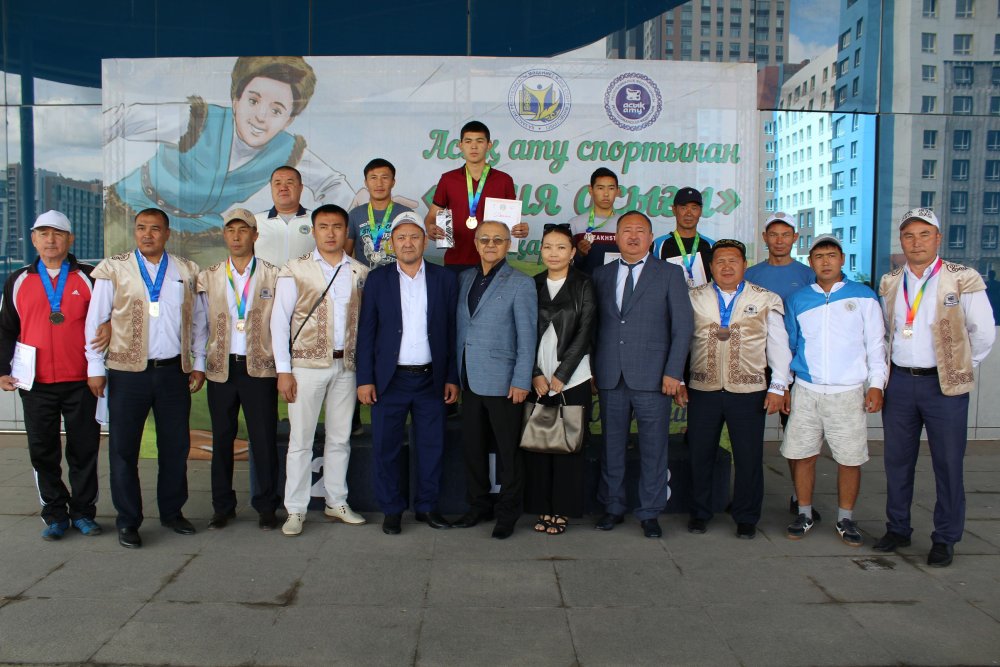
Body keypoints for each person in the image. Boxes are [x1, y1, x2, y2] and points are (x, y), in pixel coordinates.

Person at [105, 57, 353, 235]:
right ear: (236, 100)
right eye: (253, 101)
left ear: (288, 120)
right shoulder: (197, 119)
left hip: (198, 227)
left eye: (276, 110)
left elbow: (332, 183)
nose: (261, 116)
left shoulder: (287, 150)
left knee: (227, 275)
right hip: (135, 208)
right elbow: (122, 119)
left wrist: (340, 231)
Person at [874, 208, 995, 567]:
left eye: (925, 234)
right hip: (900, 383)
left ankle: (945, 538)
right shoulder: (890, 281)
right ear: (901, 241)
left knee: (948, 463)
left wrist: (959, 367)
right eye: (909, 236)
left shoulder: (962, 278)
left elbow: (983, 333)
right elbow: (885, 332)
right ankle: (898, 528)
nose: (917, 242)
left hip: (944, 387)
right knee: (897, 461)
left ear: (938, 238)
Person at [85, 208, 207, 549]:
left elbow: (199, 322)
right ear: (135, 232)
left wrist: (198, 362)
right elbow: (96, 320)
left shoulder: (186, 270)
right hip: (127, 374)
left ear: (167, 233)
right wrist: (95, 367)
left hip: (173, 373)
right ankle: (128, 520)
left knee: (175, 447)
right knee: (124, 450)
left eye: (155, 229)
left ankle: (172, 512)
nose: (147, 234)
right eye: (141, 228)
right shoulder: (114, 268)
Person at [678, 239, 790, 539]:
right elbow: (680, 341)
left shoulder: (765, 299)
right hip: (703, 388)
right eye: (720, 261)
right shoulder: (693, 297)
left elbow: (778, 346)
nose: (726, 267)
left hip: (749, 391)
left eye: (733, 261)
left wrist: (778, 385)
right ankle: (700, 513)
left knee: (748, 457)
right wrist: (678, 379)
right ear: (711, 266)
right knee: (700, 454)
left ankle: (746, 517)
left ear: (744, 265)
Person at [355, 212, 459, 535]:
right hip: (390, 381)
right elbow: (366, 333)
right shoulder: (378, 279)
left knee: (431, 446)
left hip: (431, 380)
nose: (408, 243)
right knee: (385, 447)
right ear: (392, 243)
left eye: (414, 237)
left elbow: (453, 332)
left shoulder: (444, 279)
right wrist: (365, 379)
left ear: (425, 242)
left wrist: (452, 377)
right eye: (401, 238)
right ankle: (392, 510)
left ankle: (427, 507)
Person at [0, 211, 101, 541]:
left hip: (82, 381)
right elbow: (6, 329)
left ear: (70, 239)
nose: (50, 240)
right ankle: (55, 514)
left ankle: (83, 513)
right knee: (43, 451)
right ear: (33, 239)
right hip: (35, 383)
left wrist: (101, 369)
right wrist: (2, 370)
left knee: (83, 450)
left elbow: (106, 322)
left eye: (58, 233)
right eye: (43, 233)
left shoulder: (91, 277)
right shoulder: (18, 280)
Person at [592, 211, 693, 539]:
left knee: (653, 448)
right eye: (626, 231)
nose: (633, 236)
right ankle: (612, 506)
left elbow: (682, 327)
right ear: (616, 237)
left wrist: (674, 372)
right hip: (610, 375)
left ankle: (650, 512)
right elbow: (594, 327)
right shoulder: (601, 274)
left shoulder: (670, 274)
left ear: (651, 238)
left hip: (654, 377)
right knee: (612, 445)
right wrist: (592, 369)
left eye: (640, 231)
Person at [269, 203, 369, 536]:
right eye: (323, 227)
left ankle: (336, 501)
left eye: (337, 227)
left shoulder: (359, 271)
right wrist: (284, 370)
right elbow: (279, 321)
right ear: (313, 231)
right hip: (306, 366)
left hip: (347, 365)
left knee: (340, 438)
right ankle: (295, 509)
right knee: (301, 440)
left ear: (346, 231)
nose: (330, 233)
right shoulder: (295, 269)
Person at [782, 234, 887, 546]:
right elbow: (789, 346)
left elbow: (876, 345)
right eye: (819, 256)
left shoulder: (864, 296)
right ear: (810, 262)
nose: (825, 261)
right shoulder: (798, 299)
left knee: (849, 459)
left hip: (848, 391)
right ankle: (804, 512)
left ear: (842, 259)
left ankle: (845, 519)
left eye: (831, 255)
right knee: (803, 455)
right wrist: (783, 385)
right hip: (807, 389)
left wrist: (876, 385)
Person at [194, 208, 281, 531]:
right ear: (224, 235)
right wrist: (199, 365)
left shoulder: (274, 275)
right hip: (222, 368)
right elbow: (200, 326)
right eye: (230, 230)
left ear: (255, 235)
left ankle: (267, 506)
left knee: (263, 439)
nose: (236, 236)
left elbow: (282, 325)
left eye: (243, 230)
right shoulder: (210, 276)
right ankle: (222, 506)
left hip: (260, 368)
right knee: (222, 439)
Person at [453, 221, 537, 539]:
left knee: (508, 452)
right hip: (469, 378)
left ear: (508, 245)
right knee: (472, 448)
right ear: (476, 243)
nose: (491, 244)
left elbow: (527, 337)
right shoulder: (464, 278)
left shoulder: (521, 283)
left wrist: (522, 380)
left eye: (498, 240)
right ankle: (478, 506)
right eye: (485, 239)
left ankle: (507, 513)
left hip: (505, 382)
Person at [744, 211, 818, 520]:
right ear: (765, 238)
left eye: (785, 234)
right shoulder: (751, 274)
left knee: (796, 435)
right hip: (756, 364)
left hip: (798, 366)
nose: (779, 240)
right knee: (748, 435)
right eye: (773, 234)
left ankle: (800, 498)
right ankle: (746, 497)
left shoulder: (808, 275)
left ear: (795, 238)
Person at [525, 223, 596, 535]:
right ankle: (542, 507)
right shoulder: (532, 284)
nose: (553, 253)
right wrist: (535, 373)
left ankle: (563, 509)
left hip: (574, 378)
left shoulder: (584, 284)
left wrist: (562, 375)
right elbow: (523, 332)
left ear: (572, 252)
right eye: (548, 247)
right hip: (539, 379)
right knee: (540, 445)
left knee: (569, 447)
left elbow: (585, 331)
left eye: (561, 247)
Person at [425, 120, 528, 273]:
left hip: (493, 261)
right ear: (460, 145)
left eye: (479, 141)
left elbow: (511, 222)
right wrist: (430, 227)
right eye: (468, 141)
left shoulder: (504, 180)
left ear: (489, 145)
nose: (474, 146)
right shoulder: (448, 179)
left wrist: (520, 229)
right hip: (456, 260)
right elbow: (431, 217)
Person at [345, 158, 414, 269]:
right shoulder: (354, 215)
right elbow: (345, 256)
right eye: (373, 178)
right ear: (366, 182)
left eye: (385, 178)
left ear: (393, 182)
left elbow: (414, 254)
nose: (379, 184)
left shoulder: (406, 214)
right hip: (365, 278)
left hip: (397, 276)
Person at [255, 166, 319, 267]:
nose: (283, 188)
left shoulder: (316, 220)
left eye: (289, 183)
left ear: (301, 188)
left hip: (307, 277)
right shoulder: (255, 221)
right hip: (266, 278)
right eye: (277, 183)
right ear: (271, 188)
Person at [653, 187, 714, 288]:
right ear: (674, 210)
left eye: (694, 208)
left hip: (703, 298)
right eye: (683, 208)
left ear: (700, 211)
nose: (689, 213)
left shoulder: (711, 245)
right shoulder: (658, 245)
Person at [568, 168, 622, 275]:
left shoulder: (625, 225)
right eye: (600, 188)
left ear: (617, 191)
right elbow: (565, 264)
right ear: (591, 190)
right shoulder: (574, 224)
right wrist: (579, 254)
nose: (606, 194)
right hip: (584, 284)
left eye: (611, 188)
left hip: (616, 284)